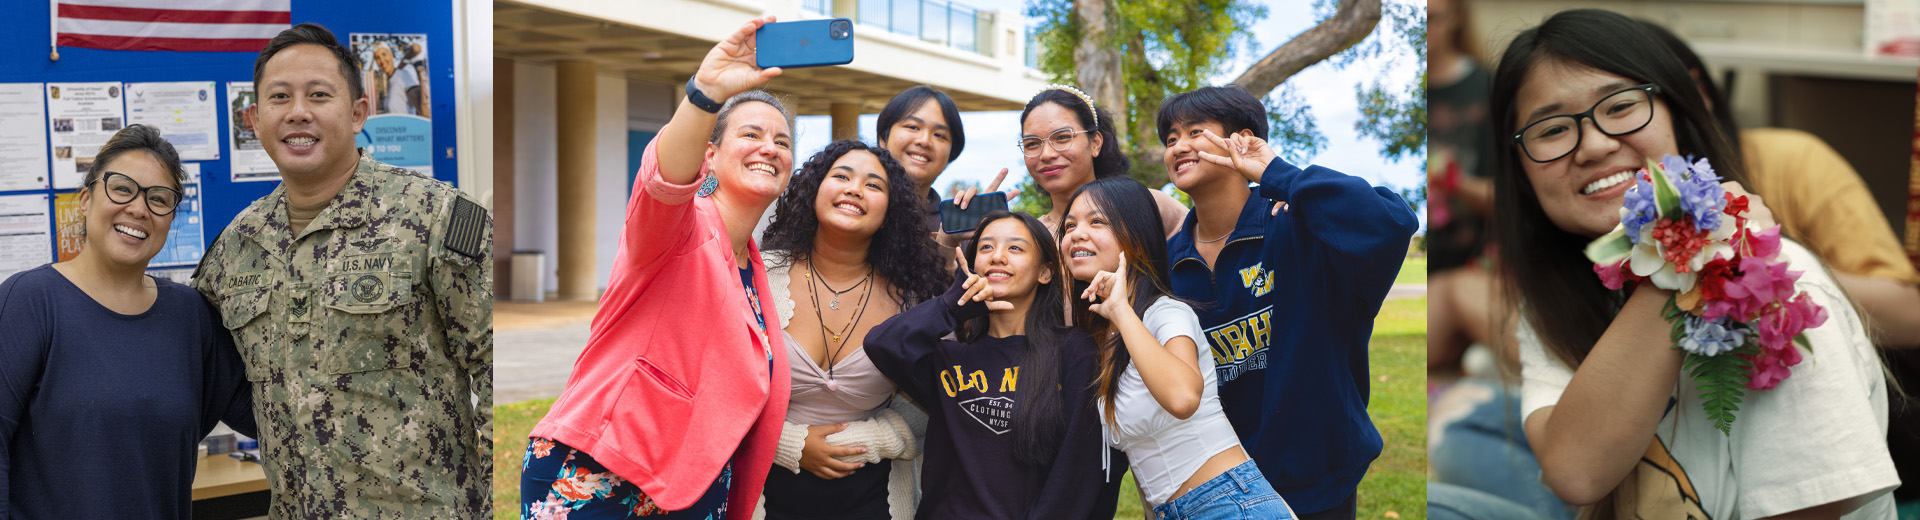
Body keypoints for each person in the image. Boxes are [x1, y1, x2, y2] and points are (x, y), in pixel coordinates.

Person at [1491, 9, 1897, 517]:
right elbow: (1575, 471)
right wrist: (1681, 259)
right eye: (1550, 130)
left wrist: (1696, 254)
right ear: (1519, 171)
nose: (1593, 145)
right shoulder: (1552, 299)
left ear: (1679, 116)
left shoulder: (1771, 280)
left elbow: (1816, 505)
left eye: (1619, 106)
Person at [190, 23, 491, 517]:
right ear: (254, 118)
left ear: (357, 114)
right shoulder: (236, 248)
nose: (298, 112)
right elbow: (213, 374)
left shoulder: (435, 217)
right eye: (279, 97)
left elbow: (495, 366)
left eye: (319, 95)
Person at [520, 16, 793, 519]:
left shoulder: (753, 270)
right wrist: (706, 93)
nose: (769, 148)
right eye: (751, 134)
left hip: (693, 486)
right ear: (709, 155)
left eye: (783, 141)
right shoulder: (678, 227)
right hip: (605, 467)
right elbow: (664, 180)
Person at [1158, 84, 1418, 519]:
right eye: (1170, 139)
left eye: (1195, 132)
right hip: (1219, 489)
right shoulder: (1168, 264)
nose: (1179, 146)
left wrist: (1278, 174)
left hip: (1315, 484)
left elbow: (1391, 222)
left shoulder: (1298, 226)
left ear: (1241, 139)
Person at [0, 125, 255, 519]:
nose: (139, 208)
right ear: (85, 200)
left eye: (159, 199)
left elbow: (270, 413)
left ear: (171, 219)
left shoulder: (190, 316)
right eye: (122, 189)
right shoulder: (31, 302)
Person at [1062, 176, 1294, 520]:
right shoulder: (1103, 336)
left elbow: (1183, 398)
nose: (1077, 233)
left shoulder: (1165, 314)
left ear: (1136, 239)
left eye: (1097, 221)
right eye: (1069, 226)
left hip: (1230, 503)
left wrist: (1122, 310)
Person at [866, 211, 1125, 519]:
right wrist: (952, 304)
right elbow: (881, 344)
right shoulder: (949, 358)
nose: (997, 257)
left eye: (1015, 248)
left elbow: (1077, 469)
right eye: (986, 248)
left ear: (1045, 272)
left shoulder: (1072, 350)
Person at [753, 140, 947, 520]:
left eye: (874, 185)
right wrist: (789, 443)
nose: (855, 188)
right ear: (814, 189)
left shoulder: (914, 296)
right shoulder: (760, 274)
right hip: (764, 496)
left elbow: (937, 403)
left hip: (877, 499)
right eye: (841, 176)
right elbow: (721, 390)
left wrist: (862, 441)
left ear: (891, 211)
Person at [1021, 86, 1187, 239]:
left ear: (1095, 143)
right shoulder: (1030, 238)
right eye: (1032, 144)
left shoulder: (1148, 207)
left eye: (1063, 137)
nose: (1047, 154)